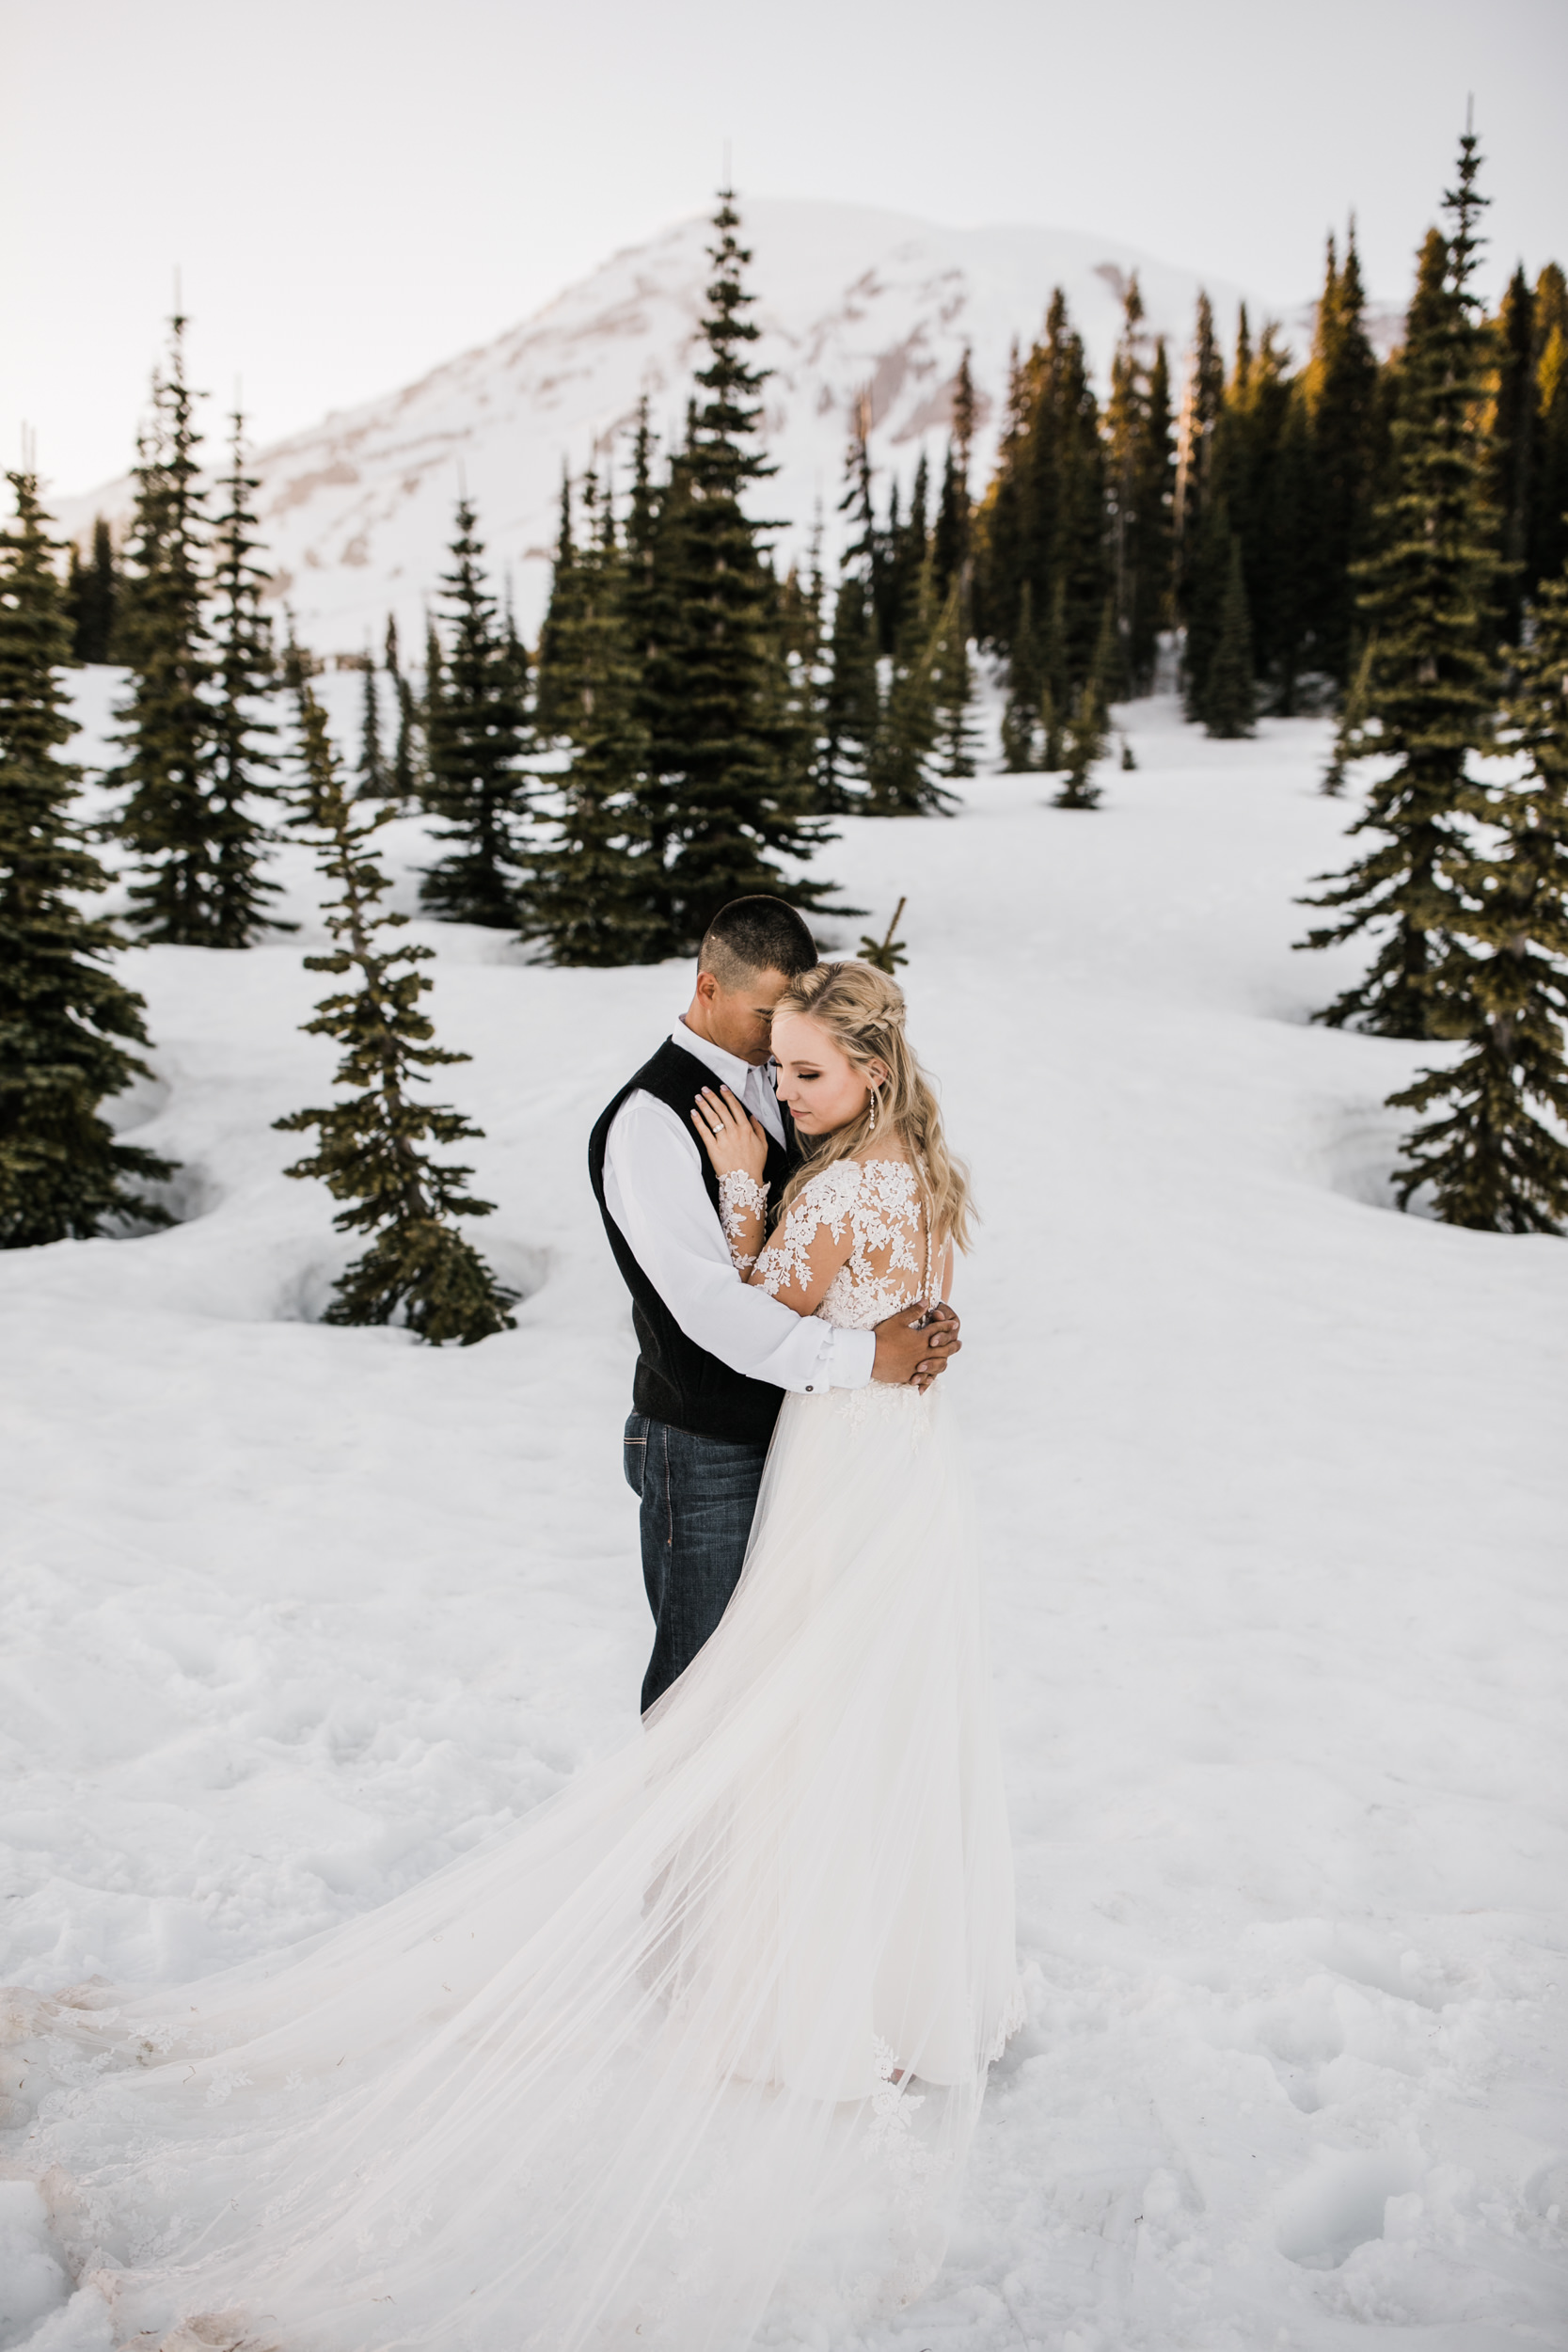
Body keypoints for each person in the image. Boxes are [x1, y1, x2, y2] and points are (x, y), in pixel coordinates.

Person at [7, 961, 1017, 2352]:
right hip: (908, 1470)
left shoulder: (836, 1186)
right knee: (875, 1705)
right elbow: (903, 1317)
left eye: (805, 1076)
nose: (780, 1098)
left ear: (871, 1074)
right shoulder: (918, 1172)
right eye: (776, 1070)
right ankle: (901, 1985)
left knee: (776, 1713)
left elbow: (762, 1309)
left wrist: (742, 1190)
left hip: (835, 1460)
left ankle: (790, 1991)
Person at [588, 896, 961, 1709]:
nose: (775, 1042)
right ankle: (682, 1843)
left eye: (790, 1021)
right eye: (765, 1014)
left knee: (786, 1694)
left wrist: (913, 1311)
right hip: (705, 1447)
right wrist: (869, 1355)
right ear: (707, 988)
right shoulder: (650, 1122)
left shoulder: (792, 1075)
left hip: (813, 1444)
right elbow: (709, 1306)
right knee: (703, 1694)